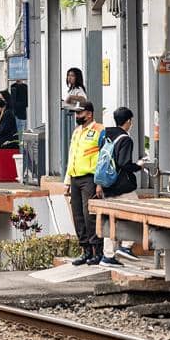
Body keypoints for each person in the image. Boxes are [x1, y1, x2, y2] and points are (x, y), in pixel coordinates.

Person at [98, 107, 145, 265]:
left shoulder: (106, 136)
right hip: (122, 186)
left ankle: (108, 255)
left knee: (111, 220)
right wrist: (138, 165)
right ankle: (126, 246)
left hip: (107, 184)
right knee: (139, 213)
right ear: (129, 121)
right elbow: (124, 163)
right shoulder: (125, 139)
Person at [64, 100, 106, 265]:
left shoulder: (99, 130)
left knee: (91, 217)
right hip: (75, 178)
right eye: (76, 113)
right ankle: (86, 250)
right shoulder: (77, 132)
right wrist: (67, 181)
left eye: (80, 112)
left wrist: (99, 182)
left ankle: (98, 251)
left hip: (90, 178)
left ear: (89, 113)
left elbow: (104, 158)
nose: (77, 115)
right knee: (78, 216)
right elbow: (71, 156)